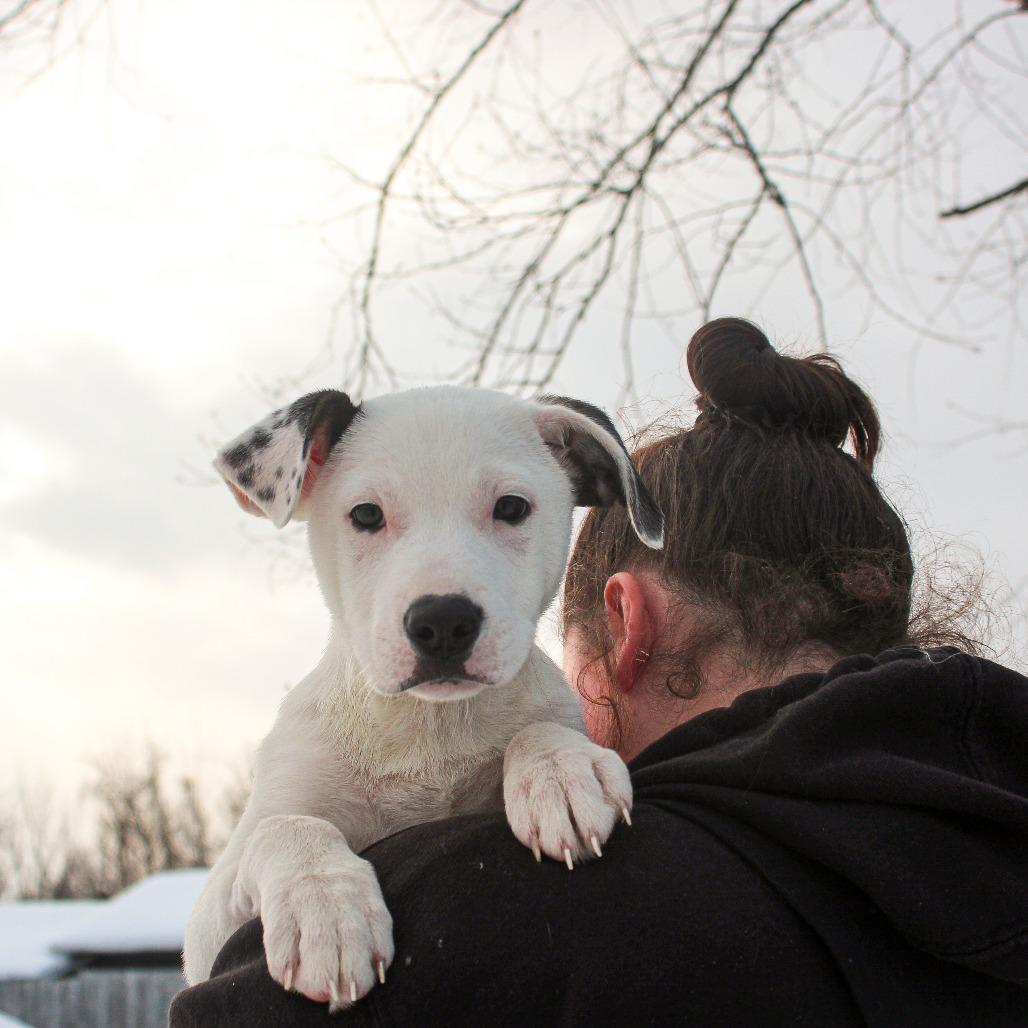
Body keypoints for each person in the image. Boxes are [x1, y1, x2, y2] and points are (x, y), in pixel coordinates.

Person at [170, 319, 1028, 1027]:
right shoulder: (988, 843)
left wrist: (544, 743)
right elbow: (223, 912)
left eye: (509, 511)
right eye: (368, 517)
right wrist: (296, 850)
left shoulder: (579, 899)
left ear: (626, 623)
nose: (439, 594)